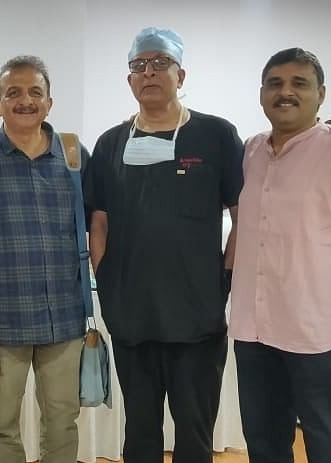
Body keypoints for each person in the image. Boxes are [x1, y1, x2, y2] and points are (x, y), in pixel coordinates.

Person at [83, 27, 243, 463]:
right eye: (138, 65)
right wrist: (108, 281)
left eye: (159, 63)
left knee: (194, 432)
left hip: (197, 315)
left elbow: (242, 215)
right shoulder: (111, 144)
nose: (148, 72)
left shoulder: (216, 136)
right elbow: (99, 220)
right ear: (129, 79)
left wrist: (224, 280)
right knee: (140, 432)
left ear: (181, 73)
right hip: (132, 314)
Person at [230, 48, 331, 462]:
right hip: (255, 334)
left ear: (321, 94)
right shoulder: (251, 151)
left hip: (322, 342)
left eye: (299, 83)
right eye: (275, 83)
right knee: (264, 446)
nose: (286, 92)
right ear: (261, 93)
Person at [0, 55, 88, 463]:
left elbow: (99, 224)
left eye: (34, 92)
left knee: (63, 421)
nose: (25, 101)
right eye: (13, 93)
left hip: (63, 317)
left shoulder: (74, 155)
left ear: (49, 102)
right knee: (3, 424)